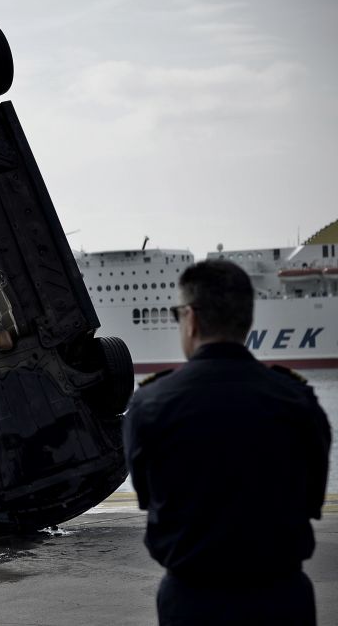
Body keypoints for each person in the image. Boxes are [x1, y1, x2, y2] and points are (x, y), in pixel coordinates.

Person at [123, 260, 331, 625]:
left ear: (191, 318)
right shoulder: (298, 401)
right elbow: (311, 500)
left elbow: (149, 498)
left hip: (191, 602)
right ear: (247, 321)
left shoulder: (150, 404)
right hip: (283, 600)